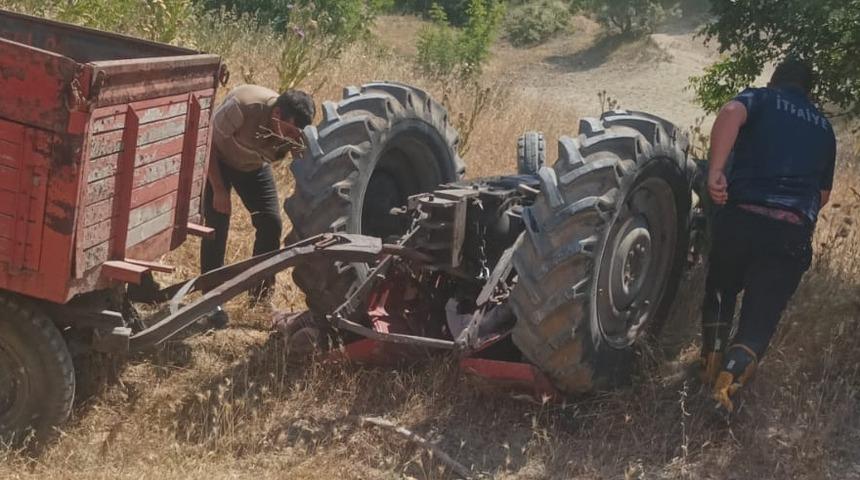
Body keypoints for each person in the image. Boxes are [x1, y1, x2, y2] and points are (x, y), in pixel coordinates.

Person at [698, 58, 837, 411]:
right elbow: (823, 196)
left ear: (776, 81)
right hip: (788, 231)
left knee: (721, 288)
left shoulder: (761, 98)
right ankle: (724, 390)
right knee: (759, 318)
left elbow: (731, 111)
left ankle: (709, 361)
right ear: (809, 90)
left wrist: (716, 171)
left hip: (741, 216)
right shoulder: (824, 128)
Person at [201, 85, 315, 328]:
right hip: (218, 161)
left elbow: (307, 165)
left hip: (253, 167)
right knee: (217, 223)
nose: (293, 139)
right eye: (290, 131)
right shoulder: (243, 107)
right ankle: (211, 301)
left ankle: (260, 296)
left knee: (271, 223)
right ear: (276, 115)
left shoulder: (296, 132)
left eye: (298, 135)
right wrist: (219, 190)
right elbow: (208, 142)